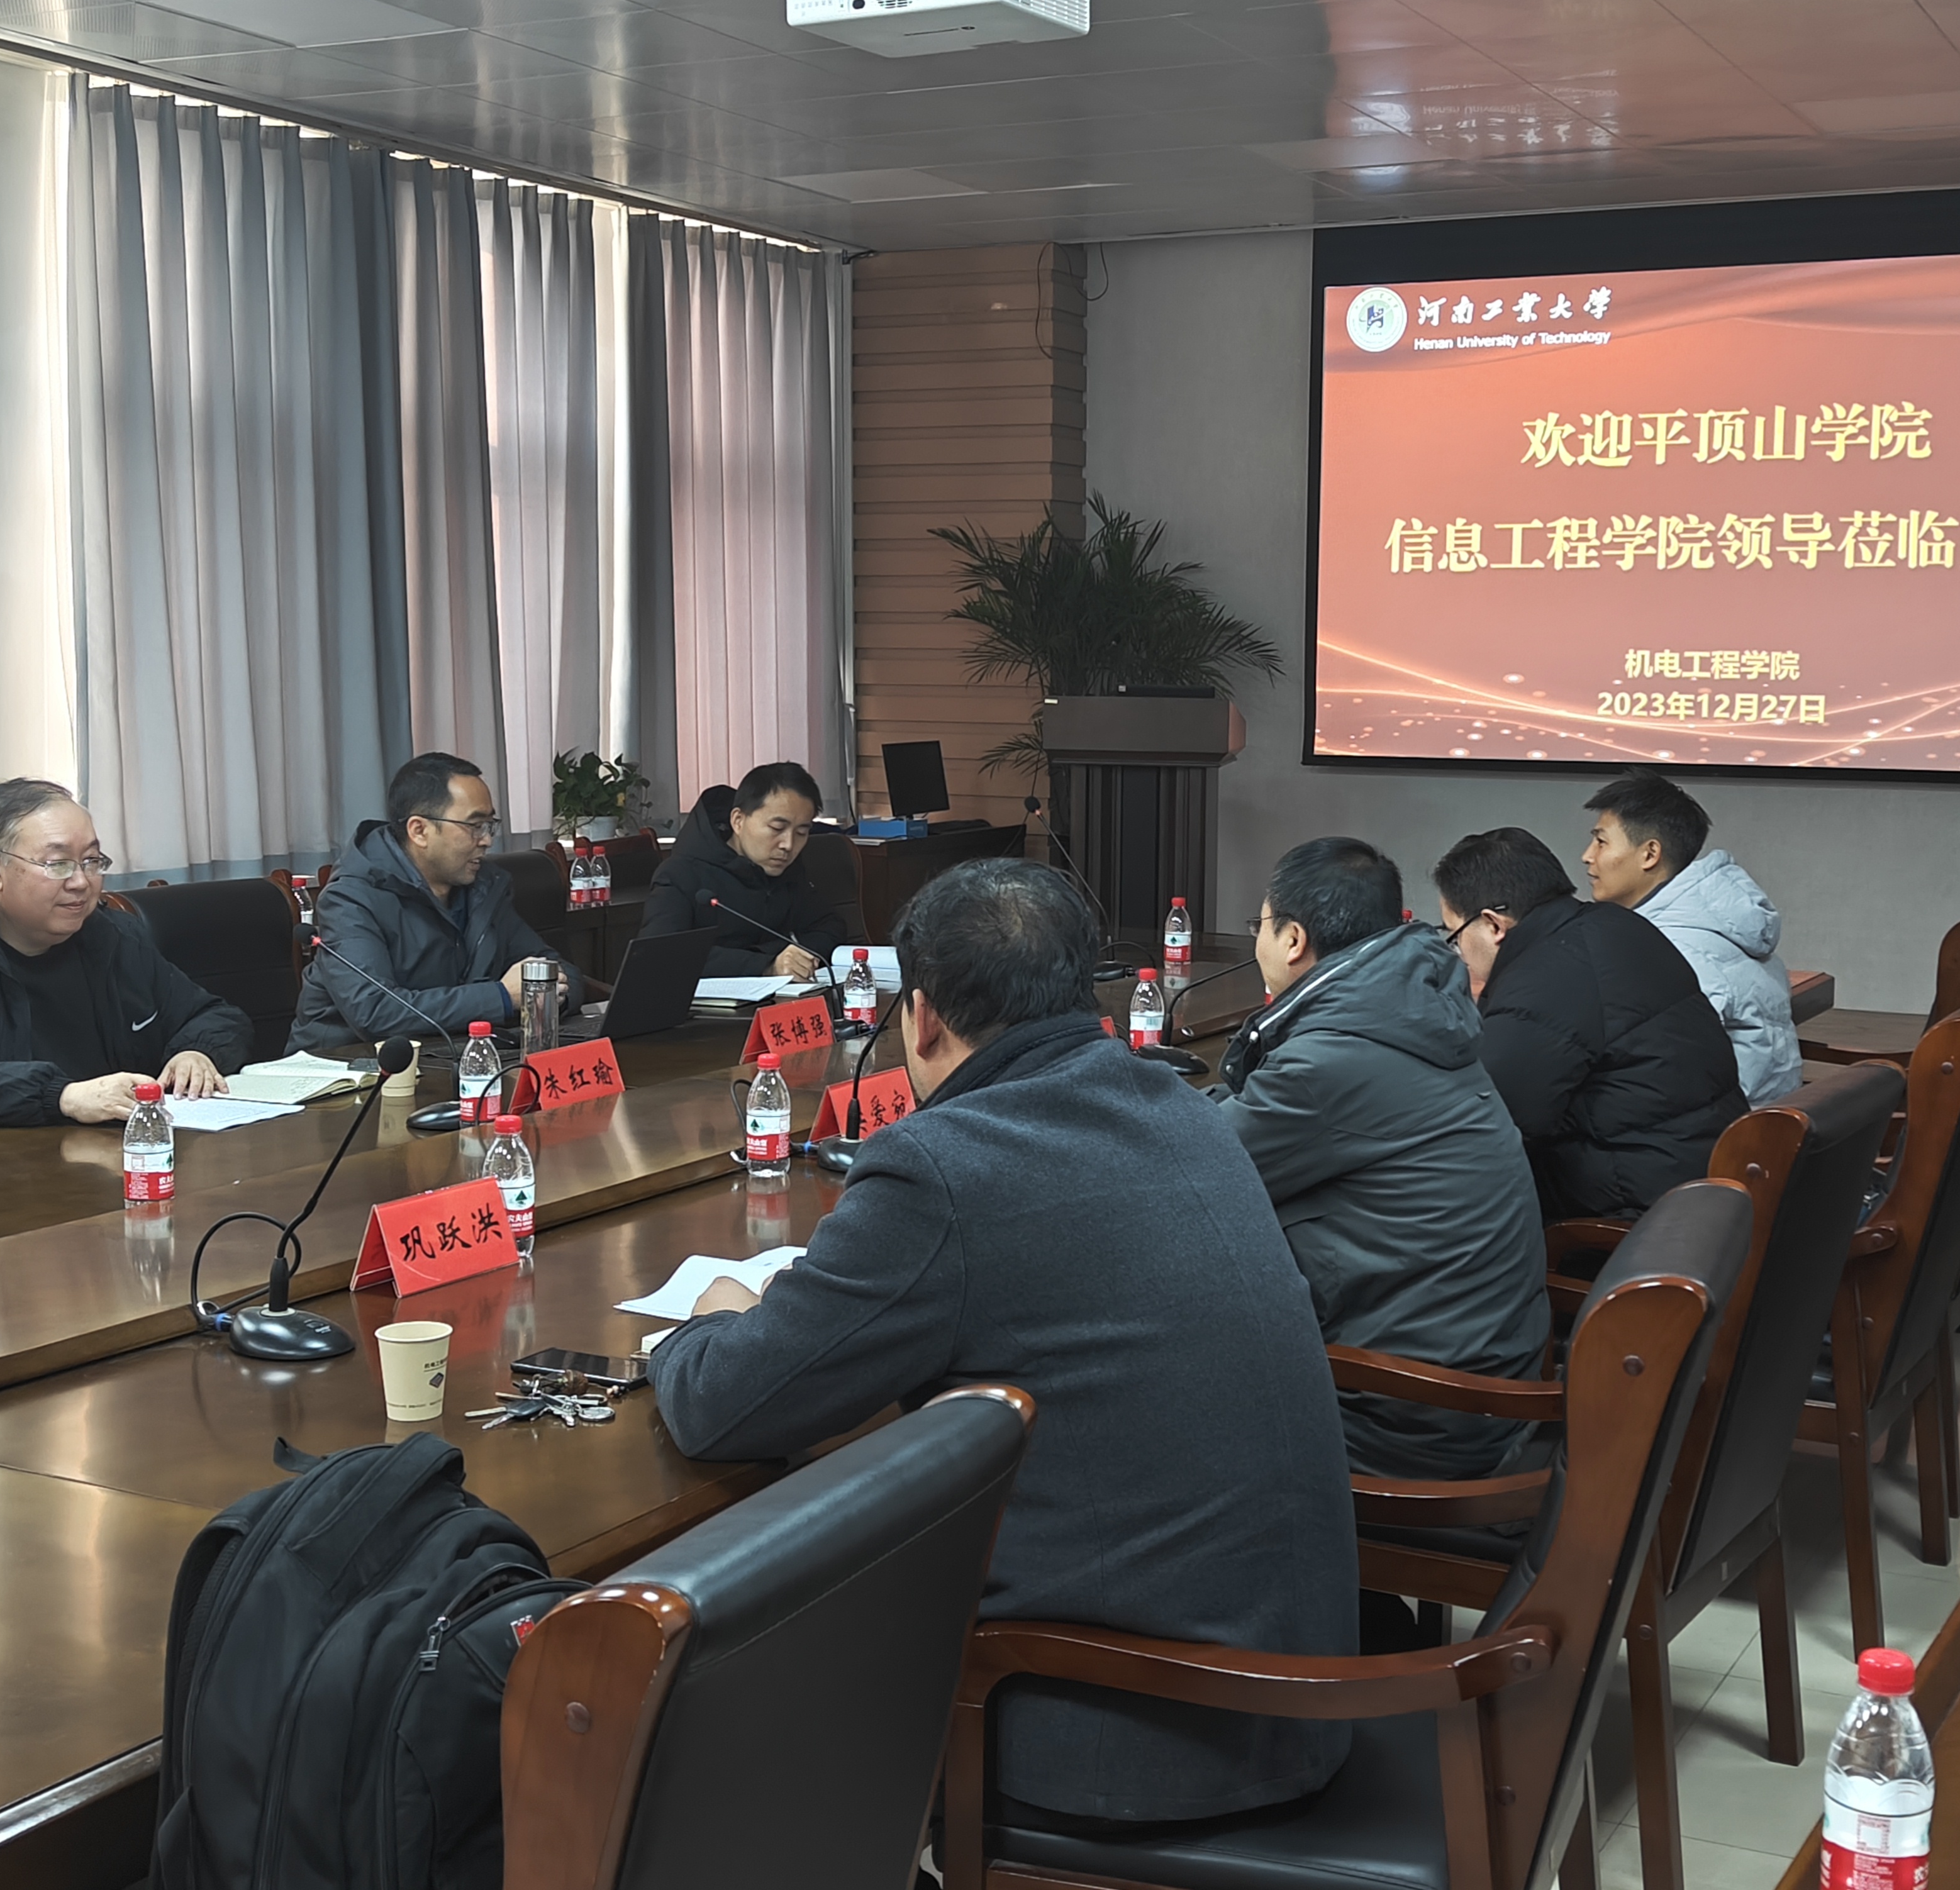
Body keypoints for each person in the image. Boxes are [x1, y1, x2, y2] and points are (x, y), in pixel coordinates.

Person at [650, 859, 1357, 1824]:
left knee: (733, 1691)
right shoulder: (1180, 1108)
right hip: (1298, 1687)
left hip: (1132, 1731)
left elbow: (724, 1407)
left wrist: (714, 1319)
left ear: (921, 1018)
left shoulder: (941, 1165)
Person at [1215, 837, 1549, 1483]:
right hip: (1481, 1388)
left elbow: (1189, 1172)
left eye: (1261, 924)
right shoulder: (1410, 1010)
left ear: (1292, 939)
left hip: (1408, 1420)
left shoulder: (1335, 1058)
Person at [0, 778, 250, 1126]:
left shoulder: (111, 935)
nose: (81, 882)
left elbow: (215, 1017)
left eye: (91, 861)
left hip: (108, 1158)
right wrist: (62, 1097)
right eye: (58, 864)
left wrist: (195, 1054)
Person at [1435, 825, 1746, 1221]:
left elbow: (1489, 1120)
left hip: (1646, 1211)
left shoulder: (1542, 981)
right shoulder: (1617, 925)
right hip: (1708, 1169)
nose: (1460, 954)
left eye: (1455, 936)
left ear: (1494, 925)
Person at [286, 753, 581, 1052]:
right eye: (475, 826)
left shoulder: (484, 887)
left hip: (447, 1055)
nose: (487, 840)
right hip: (342, 1065)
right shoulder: (350, 899)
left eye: (489, 825)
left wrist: (545, 995)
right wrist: (502, 998)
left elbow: (559, 971)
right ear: (420, 831)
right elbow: (375, 1012)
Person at [1582, 772, 1803, 1107]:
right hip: (1762, 1115)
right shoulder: (1714, 919)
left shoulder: (1673, 949)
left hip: (1728, 1128)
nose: (1588, 856)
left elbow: (1668, 1070)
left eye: (1601, 842)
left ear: (1650, 854)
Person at [639, 761, 855, 980]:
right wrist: (766, 964)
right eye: (777, 828)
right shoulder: (680, 874)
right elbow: (660, 955)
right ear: (738, 821)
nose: (788, 845)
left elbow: (831, 927)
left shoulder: (788, 870)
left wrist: (791, 957)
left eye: (801, 832)